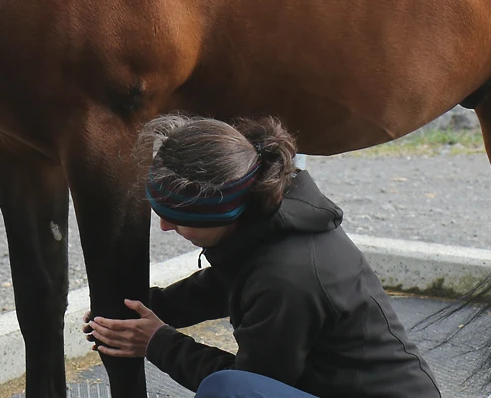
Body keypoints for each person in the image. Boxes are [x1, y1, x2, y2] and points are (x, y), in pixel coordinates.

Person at [83, 115, 441, 398]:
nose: (161, 225)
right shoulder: (267, 220)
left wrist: (157, 342)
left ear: (217, 213)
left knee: (227, 391)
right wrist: (141, 308)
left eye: (175, 216)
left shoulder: (288, 277)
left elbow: (252, 385)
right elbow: (223, 284)